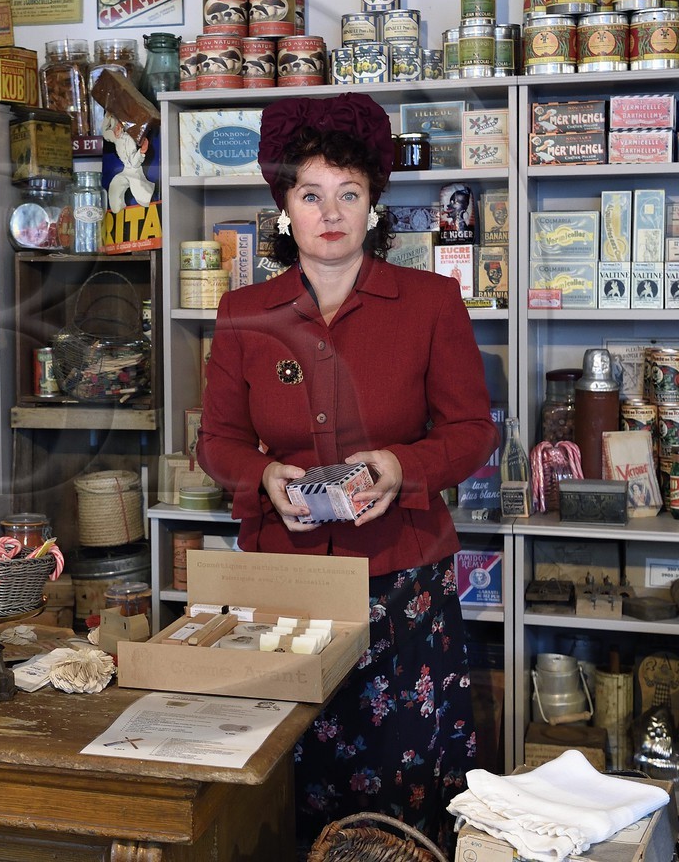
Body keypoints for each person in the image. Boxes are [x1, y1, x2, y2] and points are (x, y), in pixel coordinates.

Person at [196, 93, 497, 852]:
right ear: (284, 208)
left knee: (404, 800)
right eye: (310, 194)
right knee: (282, 782)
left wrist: (401, 465)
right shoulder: (242, 314)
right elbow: (219, 443)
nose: (330, 214)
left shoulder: (431, 302)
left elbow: (472, 433)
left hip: (405, 593)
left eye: (349, 194)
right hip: (285, 593)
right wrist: (265, 479)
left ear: (373, 205)